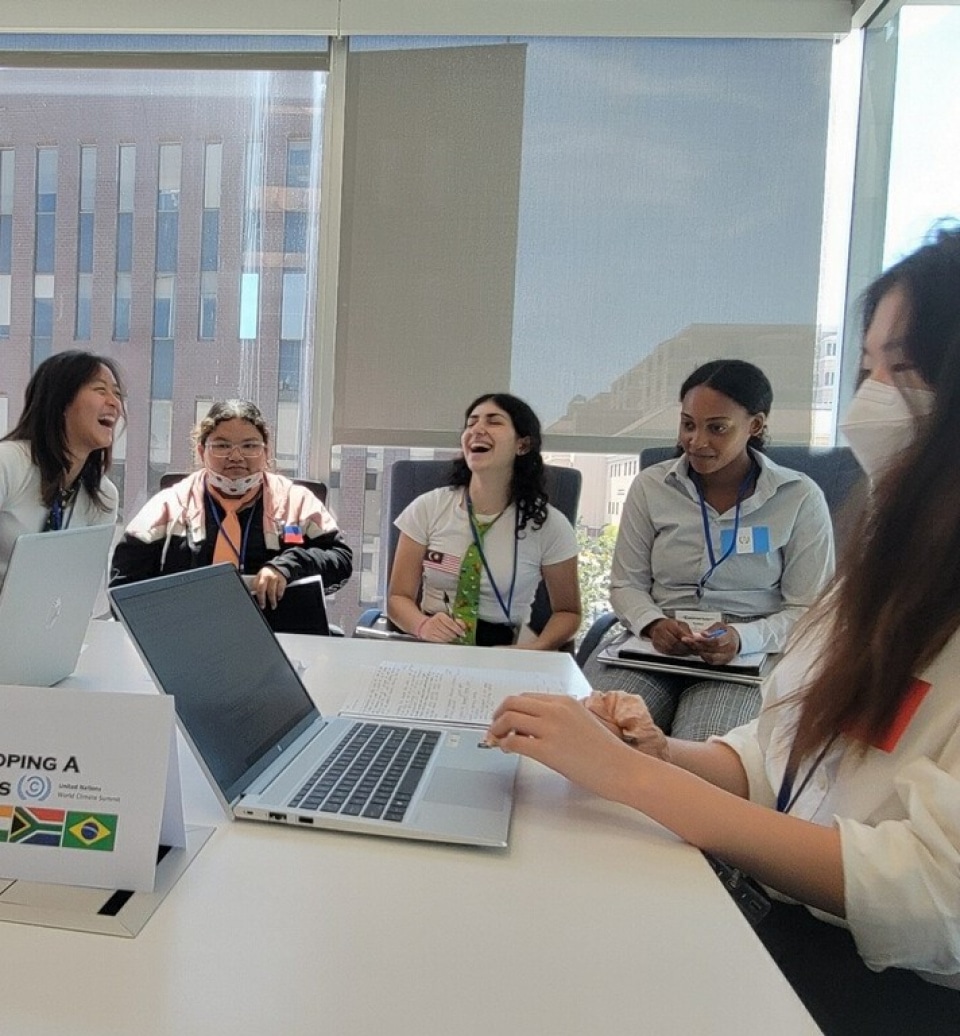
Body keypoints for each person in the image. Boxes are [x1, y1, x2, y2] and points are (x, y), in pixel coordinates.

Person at [486, 225, 960, 1033]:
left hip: (874, 986)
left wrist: (638, 780)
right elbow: (780, 755)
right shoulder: (889, 567)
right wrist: (659, 755)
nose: (868, 404)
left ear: (757, 426)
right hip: (658, 660)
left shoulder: (805, 506)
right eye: (866, 371)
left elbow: (932, 895)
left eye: (902, 370)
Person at [581, 359, 835, 739]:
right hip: (653, 650)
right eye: (688, 424)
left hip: (744, 658)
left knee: (702, 750)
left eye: (717, 428)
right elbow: (626, 585)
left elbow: (808, 610)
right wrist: (653, 623)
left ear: (756, 425)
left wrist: (741, 638)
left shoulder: (797, 497)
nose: (696, 441)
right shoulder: (652, 487)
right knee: (597, 734)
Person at [109, 399, 352, 627]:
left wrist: (287, 566)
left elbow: (340, 559)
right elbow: (122, 586)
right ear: (201, 451)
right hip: (187, 636)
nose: (236, 457)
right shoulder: (169, 505)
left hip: (281, 635)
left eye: (249, 446)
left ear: (266, 452)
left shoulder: (296, 501)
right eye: (222, 445)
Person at [388, 392, 580, 649]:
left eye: (494, 421)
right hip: (434, 642)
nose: (477, 430)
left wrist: (532, 651)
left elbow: (568, 612)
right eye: (471, 423)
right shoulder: (428, 507)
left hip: (506, 649)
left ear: (522, 445)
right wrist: (421, 625)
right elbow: (398, 598)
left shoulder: (548, 525)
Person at [0, 350, 123, 589]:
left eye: (117, 394)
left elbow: (82, 590)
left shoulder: (103, 495)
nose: (115, 403)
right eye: (100, 390)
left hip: (43, 622)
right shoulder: (9, 462)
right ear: (61, 402)